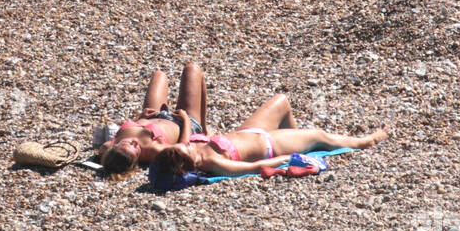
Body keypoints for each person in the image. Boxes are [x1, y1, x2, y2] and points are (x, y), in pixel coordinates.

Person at [153, 95, 389, 179]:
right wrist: (286, 158)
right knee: (320, 136)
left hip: (248, 131)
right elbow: (255, 167)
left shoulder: (183, 151)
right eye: (187, 151)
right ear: (188, 163)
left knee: (281, 102)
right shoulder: (213, 163)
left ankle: (297, 135)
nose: (188, 146)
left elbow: (185, 141)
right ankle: (367, 141)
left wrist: (184, 120)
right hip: (270, 145)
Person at [97, 64, 209, 176]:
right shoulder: (153, 151)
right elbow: (184, 147)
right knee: (192, 69)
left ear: (114, 146)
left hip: (153, 114)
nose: (135, 142)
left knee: (159, 74)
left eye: (129, 143)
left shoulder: (108, 146)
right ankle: (203, 129)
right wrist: (186, 121)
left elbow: (105, 154)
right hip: (181, 123)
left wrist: (139, 118)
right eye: (135, 150)